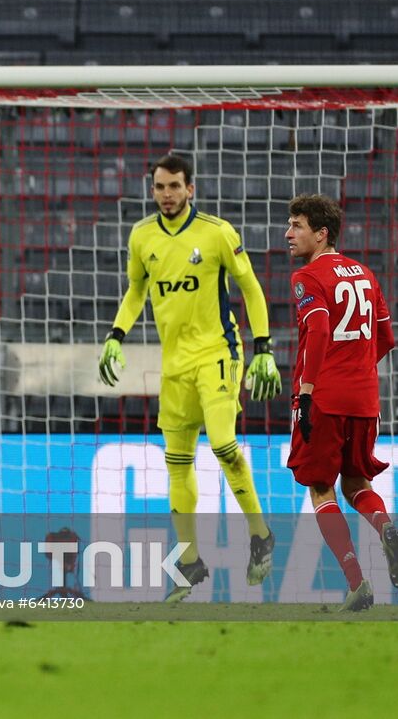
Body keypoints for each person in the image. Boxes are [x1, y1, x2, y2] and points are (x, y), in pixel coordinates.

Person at [98, 154, 282, 602]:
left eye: (174, 186)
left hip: (218, 352)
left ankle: (260, 535)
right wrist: (116, 335)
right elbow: (137, 288)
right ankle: (190, 562)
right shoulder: (142, 236)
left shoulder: (217, 233)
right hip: (175, 365)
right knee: (176, 464)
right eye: (159, 187)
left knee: (222, 444)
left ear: (190, 189)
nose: (166, 195)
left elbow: (251, 288)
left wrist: (264, 347)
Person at [284, 194, 398, 611]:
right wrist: (356, 369)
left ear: (321, 234)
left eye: (297, 225)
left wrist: (307, 391)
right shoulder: (367, 275)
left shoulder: (307, 277)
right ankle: (386, 526)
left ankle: (358, 584)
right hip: (365, 399)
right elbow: (387, 339)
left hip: (324, 398)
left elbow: (318, 331)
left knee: (322, 490)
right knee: (357, 484)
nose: (288, 233)